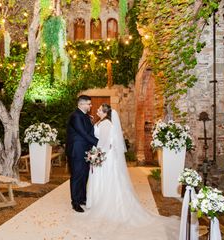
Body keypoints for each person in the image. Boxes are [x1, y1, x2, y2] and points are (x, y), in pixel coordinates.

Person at [83, 103, 179, 239]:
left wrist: (95, 156)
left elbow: (103, 143)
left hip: (104, 156)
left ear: (105, 112)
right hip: (107, 155)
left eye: (99, 109)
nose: (97, 110)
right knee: (112, 180)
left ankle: (104, 204)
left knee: (105, 179)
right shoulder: (104, 122)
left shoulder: (105, 124)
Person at [66, 95, 98, 213]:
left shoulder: (85, 116)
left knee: (84, 175)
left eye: (90, 104)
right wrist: (99, 143)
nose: (90, 106)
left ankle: (82, 198)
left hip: (85, 150)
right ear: (81, 104)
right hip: (77, 151)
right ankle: (75, 202)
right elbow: (83, 133)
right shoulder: (75, 116)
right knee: (77, 176)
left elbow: (90, 131)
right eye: (88, 104)